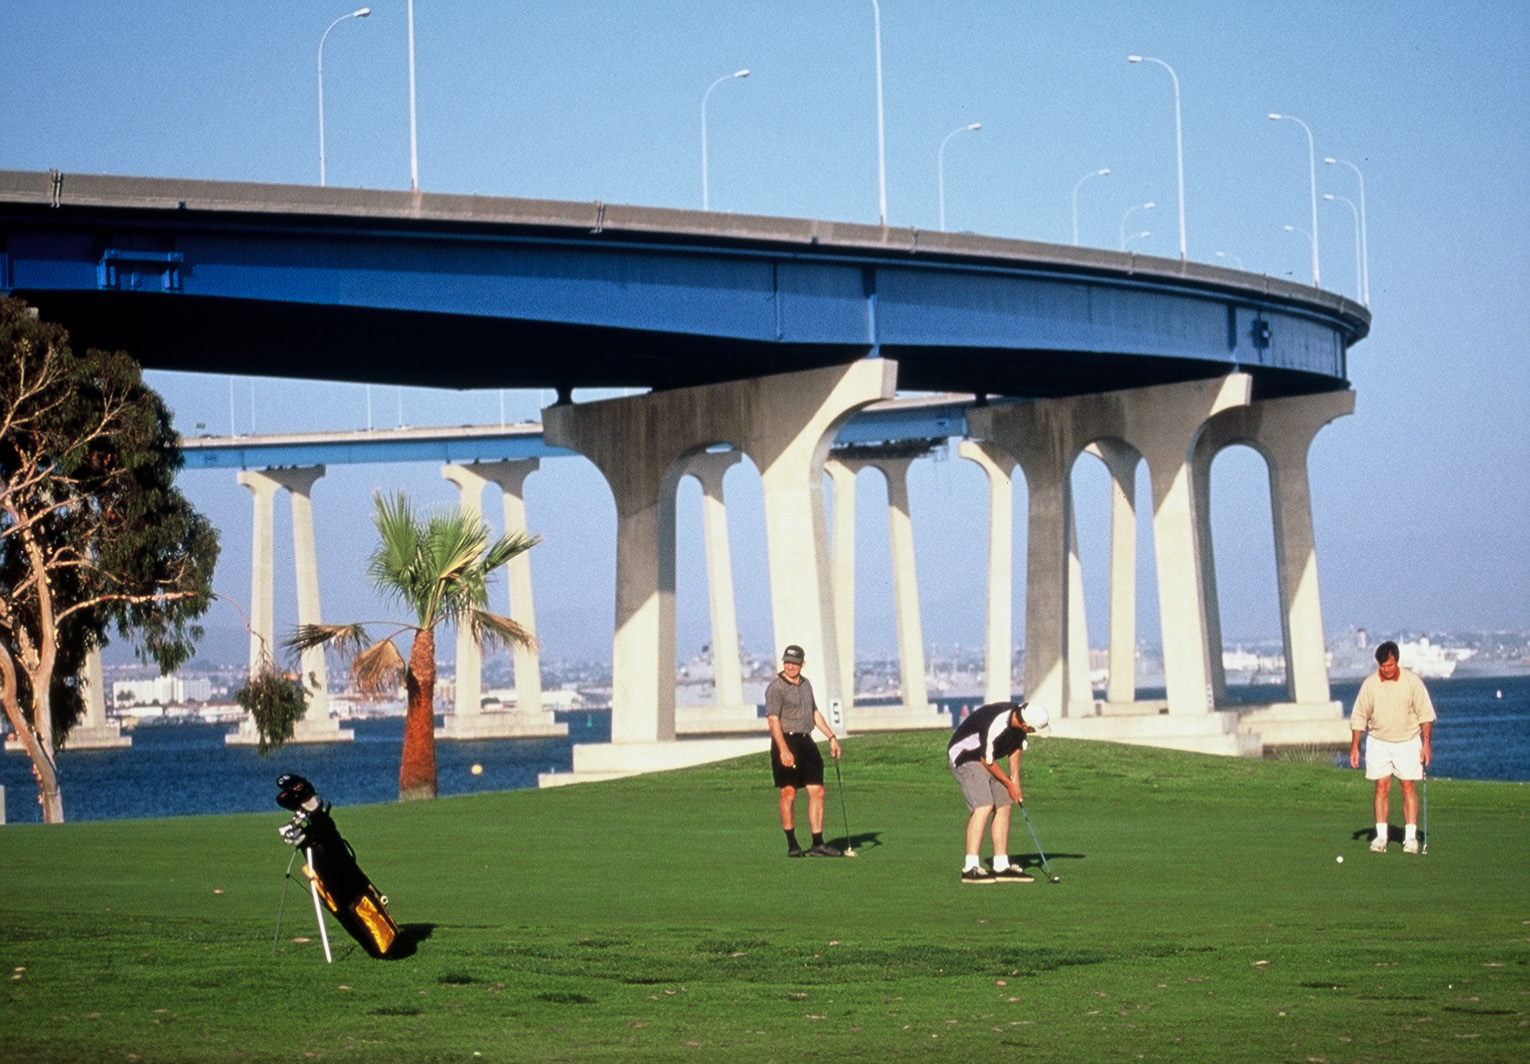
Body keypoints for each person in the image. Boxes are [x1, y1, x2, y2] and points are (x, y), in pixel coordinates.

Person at [1348, 640, 1436, 854]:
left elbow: (1425, 716)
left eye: (1390, 665)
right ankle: (1381, 837)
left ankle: (1410, 838)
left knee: (1407, 787)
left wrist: (1426, 745)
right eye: (1382, 666)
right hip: (1379, 741)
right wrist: (1355, 747)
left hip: (1408, 741)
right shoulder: (1370, 683)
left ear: (1396, 661)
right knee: (1381, 786)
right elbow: (1359, 716)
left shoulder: (1412, 682)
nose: (1386, 670)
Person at [947, 700, 1049, 883]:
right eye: (1033, 730)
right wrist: (1008, 783)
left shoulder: (1022, 715)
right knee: (984, 805)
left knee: (1004, 802)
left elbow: (1015, 747)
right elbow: (988, 761)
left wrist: (1015, 780)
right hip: (964, 756)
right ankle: (970, 867)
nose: (1033, 733)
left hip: (982, 756)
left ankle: (1000, 866)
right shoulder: (997, 724)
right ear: (1025, 725)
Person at [765, 644, 844, 857]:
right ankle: (792, 844)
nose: (790, 666)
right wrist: (783, 749)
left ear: (802, 664)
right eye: (787, 662)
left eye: (795, 663)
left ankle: (818, 843)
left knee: (817, 790)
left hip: (806, 741)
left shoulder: (806, 684)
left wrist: (832, 737)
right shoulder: (776, 688)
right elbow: (773, 720)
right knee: (788, 793)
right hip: (786, 741)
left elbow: (814, 713)